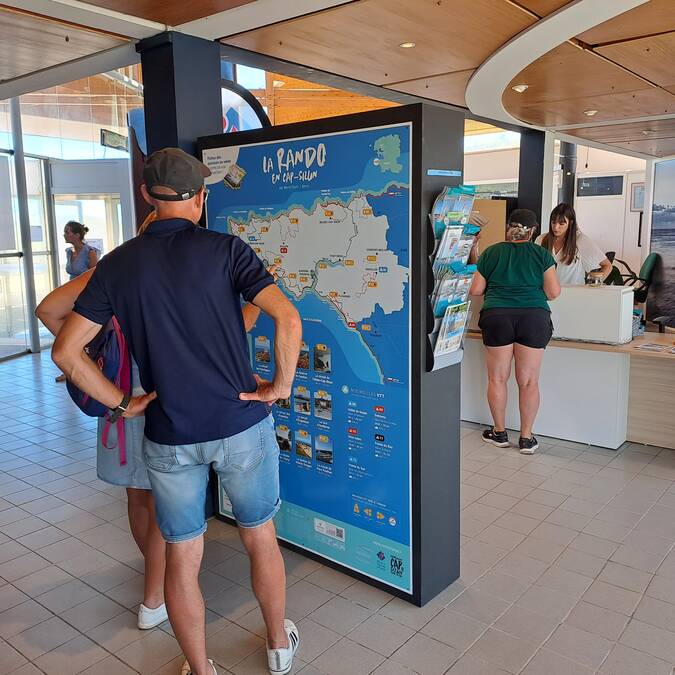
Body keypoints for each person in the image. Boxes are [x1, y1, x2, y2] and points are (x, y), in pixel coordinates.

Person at [51, 147, 303, 675]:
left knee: (182, 557)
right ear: (201, 197)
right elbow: (287, 318)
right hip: (241, 423)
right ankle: (278, 645)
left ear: (146, 195)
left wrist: (125, 402)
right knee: (261, 538)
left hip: (169, 433)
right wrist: (279, 386)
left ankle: (201, 669)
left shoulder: (118, 264)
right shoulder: (227, 250)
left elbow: (65, 351)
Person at [469, 209, 561, 454]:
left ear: (509, 228)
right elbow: (553, 292)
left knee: (497, 378)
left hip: (497, 316)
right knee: (529, 381)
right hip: (533, 317)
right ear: (532, 231)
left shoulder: (492, 252)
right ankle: (526, 438)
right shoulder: (541, 254)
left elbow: (477, 290)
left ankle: (499, 433)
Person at [536, 203, 612, 285]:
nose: (556, 227)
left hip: (574, 294)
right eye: (553, 222)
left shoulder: (581, 240)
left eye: (561, 224)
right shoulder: (541, 239)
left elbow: (607, 265)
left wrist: (594, 285)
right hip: (545, 294)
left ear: (571, 223)